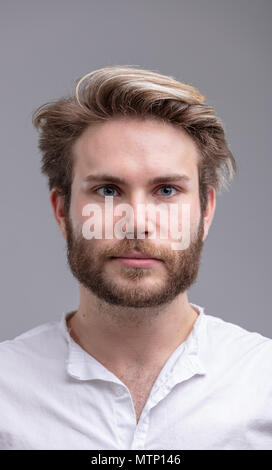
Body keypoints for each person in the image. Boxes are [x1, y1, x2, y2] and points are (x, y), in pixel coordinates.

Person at [0, 65, 271, 450]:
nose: (138, 224)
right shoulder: (5, 393)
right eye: (108, 190)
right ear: (62, 212)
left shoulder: (264, 386)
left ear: (205, 212)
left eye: (166, 190)